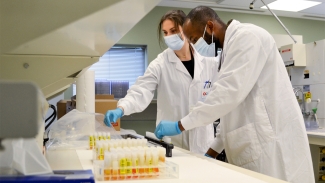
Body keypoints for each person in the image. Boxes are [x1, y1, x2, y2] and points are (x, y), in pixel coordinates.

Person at [154, 6, 314, 183]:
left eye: (194, 38)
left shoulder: (248, 37)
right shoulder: (227, 53)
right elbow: (229, 111)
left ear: (210, 27)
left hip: (272, 149)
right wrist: (210, 152)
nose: (193, 45)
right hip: (251, 148)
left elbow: (226, 96)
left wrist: (180, 125)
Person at [104, 10, 219, 154]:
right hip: (173, 144)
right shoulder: (160, 64)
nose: (169, 36)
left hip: (203, 144)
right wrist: (121, 108)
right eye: (165, 33)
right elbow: (141, 91)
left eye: (173, 31)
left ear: (185, 28)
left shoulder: (207, 61)